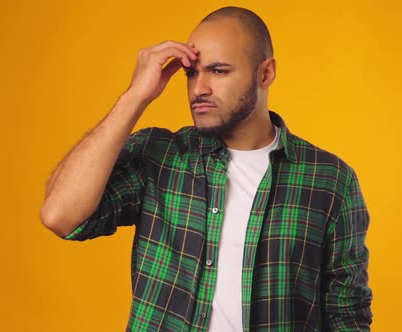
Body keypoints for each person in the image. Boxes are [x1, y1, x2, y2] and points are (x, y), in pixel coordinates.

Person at [40, 6, 372, 331]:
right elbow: (61, 215)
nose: (199, 88)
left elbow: (347, 315)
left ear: (265, 73)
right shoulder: (160, 156)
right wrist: (134, 97)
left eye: (219, 71)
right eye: (191, 73)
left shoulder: (330, 181)